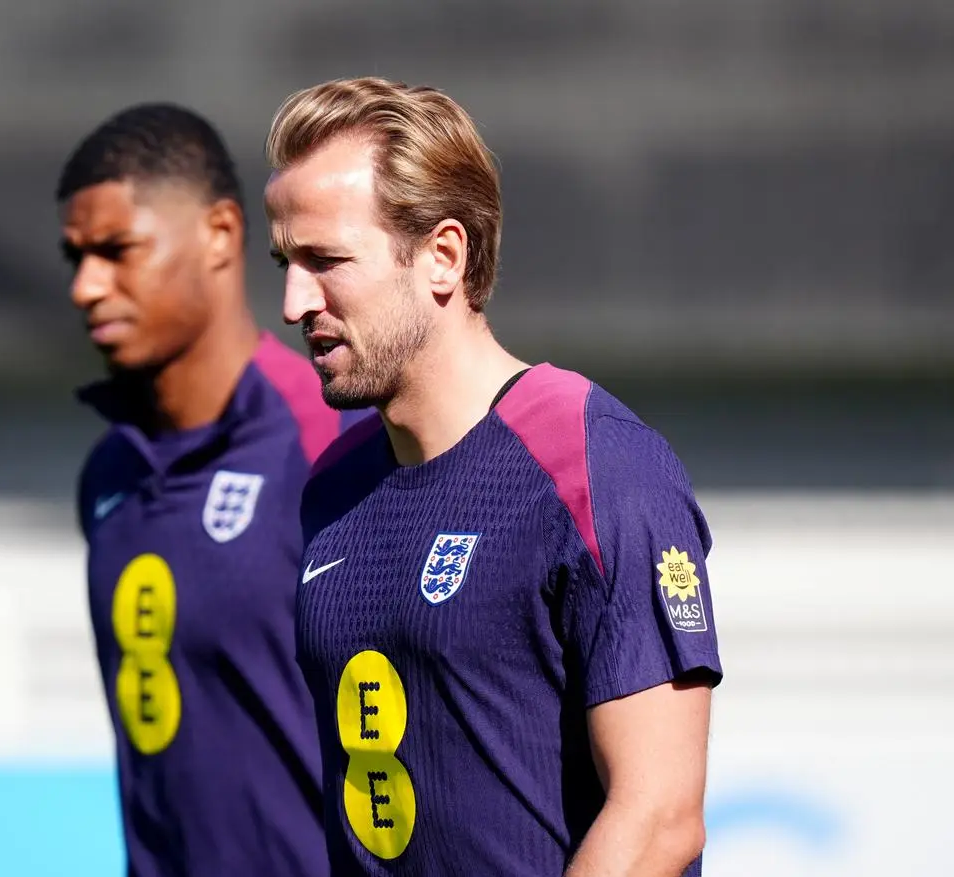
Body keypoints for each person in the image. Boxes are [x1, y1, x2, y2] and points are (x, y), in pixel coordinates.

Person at [264, 78, 723, 876]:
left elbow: (659, 818)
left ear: (442, 256)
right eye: (285, 263)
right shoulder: (332, 487)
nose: (293, 301)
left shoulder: (593, 463)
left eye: (325, 260)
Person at [58, 102, 352, 877]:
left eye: (117, 250)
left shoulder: (329, 443)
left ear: (220, 233)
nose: (86, 286)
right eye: (75, 257)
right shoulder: (109, 476)